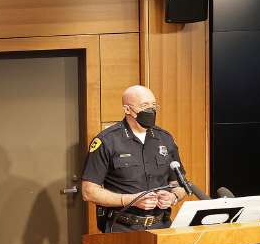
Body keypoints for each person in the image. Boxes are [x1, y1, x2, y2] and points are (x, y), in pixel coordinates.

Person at [81, 85, 189, 232]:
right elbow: (89, 191)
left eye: (153, 105)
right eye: (144, 106)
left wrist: (173, 197)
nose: (150, 110)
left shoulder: (165, 139)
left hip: (162, 227)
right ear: (127, 110)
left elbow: (180, 184)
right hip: (122, 227)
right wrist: (131, 200)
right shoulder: (107, 141)